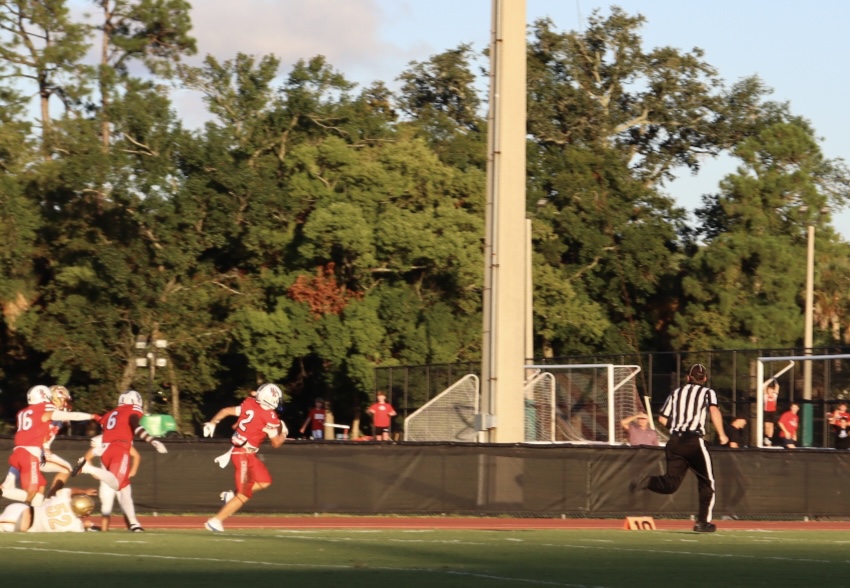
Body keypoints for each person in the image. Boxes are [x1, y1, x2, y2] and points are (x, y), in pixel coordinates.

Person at [629, 363, 728, 533]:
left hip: (674, 441)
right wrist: (722, 434)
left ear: (688, 377)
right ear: (704, 379)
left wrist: (678, 427)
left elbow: (662, 419)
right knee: (707, 482)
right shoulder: (707, 392)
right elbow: (714, 411)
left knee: (670, 484)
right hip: (693, 441)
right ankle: (702, 522)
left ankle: (646, 481)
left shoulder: (676, 392)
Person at [70, 390, 168, 532]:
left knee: (124, 489)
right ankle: (87, 468)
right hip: (119, 448)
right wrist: (152, 440)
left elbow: (105, 426)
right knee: (116, 484)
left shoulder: (110, 414)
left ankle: (134, 524)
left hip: (105, 449)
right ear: (135, 401)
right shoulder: (131, 410)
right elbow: (137, 427)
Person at [202, 383, 287, 532]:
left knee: (265, 481)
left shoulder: (249, 403)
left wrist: (212, 422)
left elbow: (226, 411)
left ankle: (231, 496)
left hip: (246, 452)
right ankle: (215, 521)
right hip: (243, 454)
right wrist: (284, 433)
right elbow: (276, 443)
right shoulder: (269, 416)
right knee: (244, 494)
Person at [84, 434, 142, 531]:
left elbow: (136, 455)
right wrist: (94, 473)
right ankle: (104, 532)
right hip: (107, 480)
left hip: (120, 478)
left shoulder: (123, 438)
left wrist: (132, 471)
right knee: (106, 509)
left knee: (126, 505)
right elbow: (87, 457)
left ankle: (133, 527)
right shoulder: (101, 441)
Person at [0, 488, 96, 532]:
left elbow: (69, 490)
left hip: (20, 508)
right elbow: (79, 527)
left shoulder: (62, 499)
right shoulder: (75, 525)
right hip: (21, 523)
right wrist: (86, 525)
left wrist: (84, 491)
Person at [763, 378, 779, 446]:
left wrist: (774, 379)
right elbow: (764, 387)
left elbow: (777, 387)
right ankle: (766, 438)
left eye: (772, 391)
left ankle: (769, 439)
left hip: (773, 412)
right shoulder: (766, 396)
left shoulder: (774, 396)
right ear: (768, 391)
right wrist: (769, 380)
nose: (771, 393)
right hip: (767, 411)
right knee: (767, 426)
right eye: (770, 391)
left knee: (771, 425)